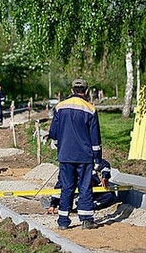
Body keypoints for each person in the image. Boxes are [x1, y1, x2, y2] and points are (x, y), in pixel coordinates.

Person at [48, 78, 103, 230]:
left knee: (66, 186)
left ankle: (63, 221)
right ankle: (86, 220)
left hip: (65, 154)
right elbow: (95, 138)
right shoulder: (90, 109)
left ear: (72, 90)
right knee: (85, 186)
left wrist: (58, 143)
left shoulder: (60, 107)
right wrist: (97, 158)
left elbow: (53, 132)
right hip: (84, 156)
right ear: (86, 91)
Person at [43, 159, 116, 214]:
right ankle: (80, 205)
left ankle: (87, 205)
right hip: (79, 193)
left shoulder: (89, 161)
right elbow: (59, 187)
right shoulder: (67, 170)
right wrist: (53, 205)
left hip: (93, 191)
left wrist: (105, 176)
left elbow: (104, 165)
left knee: (110, 195)